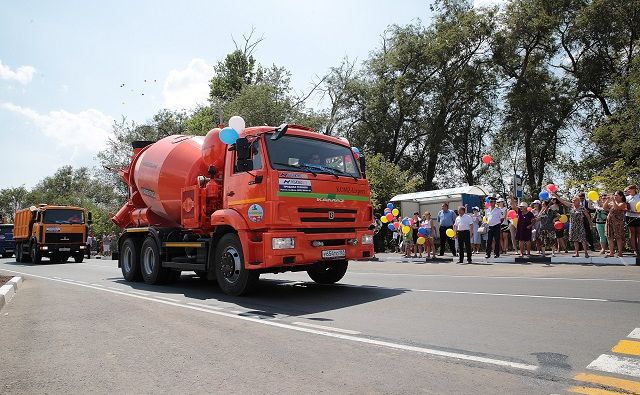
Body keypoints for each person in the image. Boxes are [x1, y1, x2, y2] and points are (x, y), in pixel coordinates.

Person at [605, 191, 627, 258]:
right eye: (614, 195)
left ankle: (620, 252)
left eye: (616, 195)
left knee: (618, 237)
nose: (615, 196)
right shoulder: (612, 203)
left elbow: (617, 208)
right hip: (609, 222)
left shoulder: (623, 203)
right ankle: (611, 252)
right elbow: (604, 207)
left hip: (618, 223)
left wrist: (613, 201)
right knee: (609, 237)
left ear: (621, 196)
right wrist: (607, 200)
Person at [624, 185, 640, 257]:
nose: (628, 191)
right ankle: (635, 250)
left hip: (639, 217)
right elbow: (625, 208)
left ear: (634, 189)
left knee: (639, 233)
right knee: (632, 233)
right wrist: (632, 212)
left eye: (630, 189)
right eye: (628, 190)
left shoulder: (639, 196)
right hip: (630, 217)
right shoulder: (627, 198)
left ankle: (639, 249)